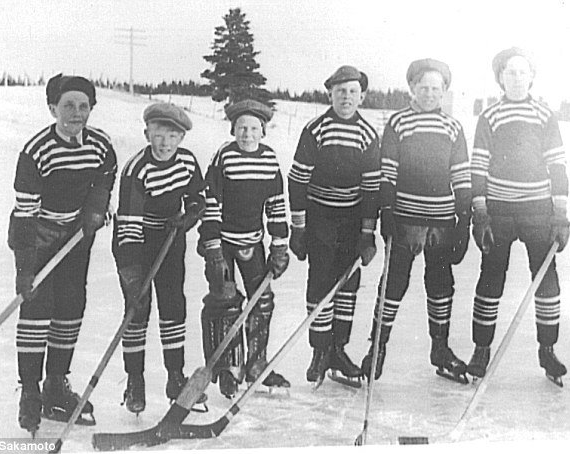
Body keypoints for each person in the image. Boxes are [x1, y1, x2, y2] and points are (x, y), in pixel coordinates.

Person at [8, 74, 117, 434]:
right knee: (38, 308)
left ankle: (56, 383)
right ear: (53, 108)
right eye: (68, 105)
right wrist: (24, 267)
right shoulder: (37, 151)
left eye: (84, 106)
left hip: (75, 236)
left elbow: (106, 173)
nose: (76, 112)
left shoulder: (100, 145)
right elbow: (24, 213)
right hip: (39, 235)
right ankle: (30, 391)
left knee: (71, 305)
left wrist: (96, 206)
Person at [359, 59, 471, 384]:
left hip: (441, 222)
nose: (430, 94)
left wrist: (463, 219)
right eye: (423, 87)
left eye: (436, 89)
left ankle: (440, 348)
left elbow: (461, 176)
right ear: (412, 88)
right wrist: (387, 211)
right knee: (394, 284)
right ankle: (376, 349)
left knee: (440, 285)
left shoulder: (453, 127)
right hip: (406, 220)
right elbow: (387, 170)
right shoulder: (399, 123)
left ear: (444, 91)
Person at [467, 47, 570, 386]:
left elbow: (557, 165)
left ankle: (547, 348)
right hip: (499, 209)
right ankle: (481, 349)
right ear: (500, 77)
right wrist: (480, 212)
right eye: (509, 72)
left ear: (531, 76)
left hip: (537, 210)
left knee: (546, 278)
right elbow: (479, 165)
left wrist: (560, 214)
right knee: (491, 276)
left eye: (522, 72)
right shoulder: (490, 116)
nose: (516, 77)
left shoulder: (544, 115)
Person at [288, 65, 381, 387]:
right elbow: (297, 180)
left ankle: (338, 349)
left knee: (348, 284)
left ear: (362, 96)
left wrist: (368, 233)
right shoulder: (316, 129)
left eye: (353, 91)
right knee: (321, 282)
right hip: (321, 217)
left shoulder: (368, 134)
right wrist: (298, 228)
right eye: (340, 91)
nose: (347, 97)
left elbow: (372, 188)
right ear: (330, 94)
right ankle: (320, 350)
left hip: (352, 219)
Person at [112, 102, 207, 414]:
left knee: (173, 305)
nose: (165, 143)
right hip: (135, 241)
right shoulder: (136, 169)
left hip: (170, 237)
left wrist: (191, 214)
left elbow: (197, 196)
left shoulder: (188, 162)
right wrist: (132, 276)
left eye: (172, 136)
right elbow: (128, 224)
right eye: (158, 135)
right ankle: (135, 380)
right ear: (147, 134)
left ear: (180, 138)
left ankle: (175, 376)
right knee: (137, 309)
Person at [198, 99, 290, 399]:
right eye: (241, 128)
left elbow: (276, 204)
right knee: (225, 300)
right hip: (223, 241)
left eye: (253, 129)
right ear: (233, 130)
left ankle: (256, 363)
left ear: (263, 131)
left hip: (253, 240)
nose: (247, 134)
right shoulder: (224, 156)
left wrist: (279, 245)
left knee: (261, 301)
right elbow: (211, 200)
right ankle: (228, 368)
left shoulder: (270, 160)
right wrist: (212, 245)